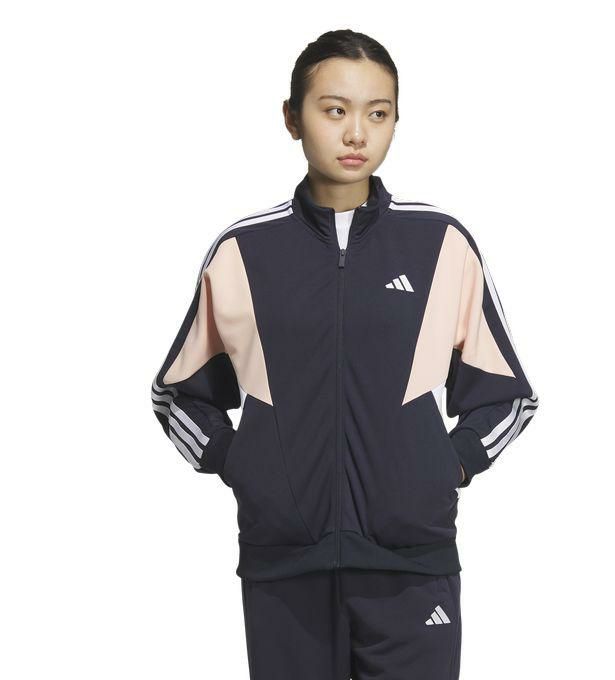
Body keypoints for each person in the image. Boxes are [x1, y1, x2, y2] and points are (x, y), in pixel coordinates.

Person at [151, 28, 539, 680]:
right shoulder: (243, 252)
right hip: (284, 567)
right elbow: (178, 394)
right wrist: (238, 462)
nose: (357, 132)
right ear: (292, 118)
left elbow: (509, 395)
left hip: (411, 563)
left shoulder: (440, 244)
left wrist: (451, 463)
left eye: (378, 113)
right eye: (335, 110)